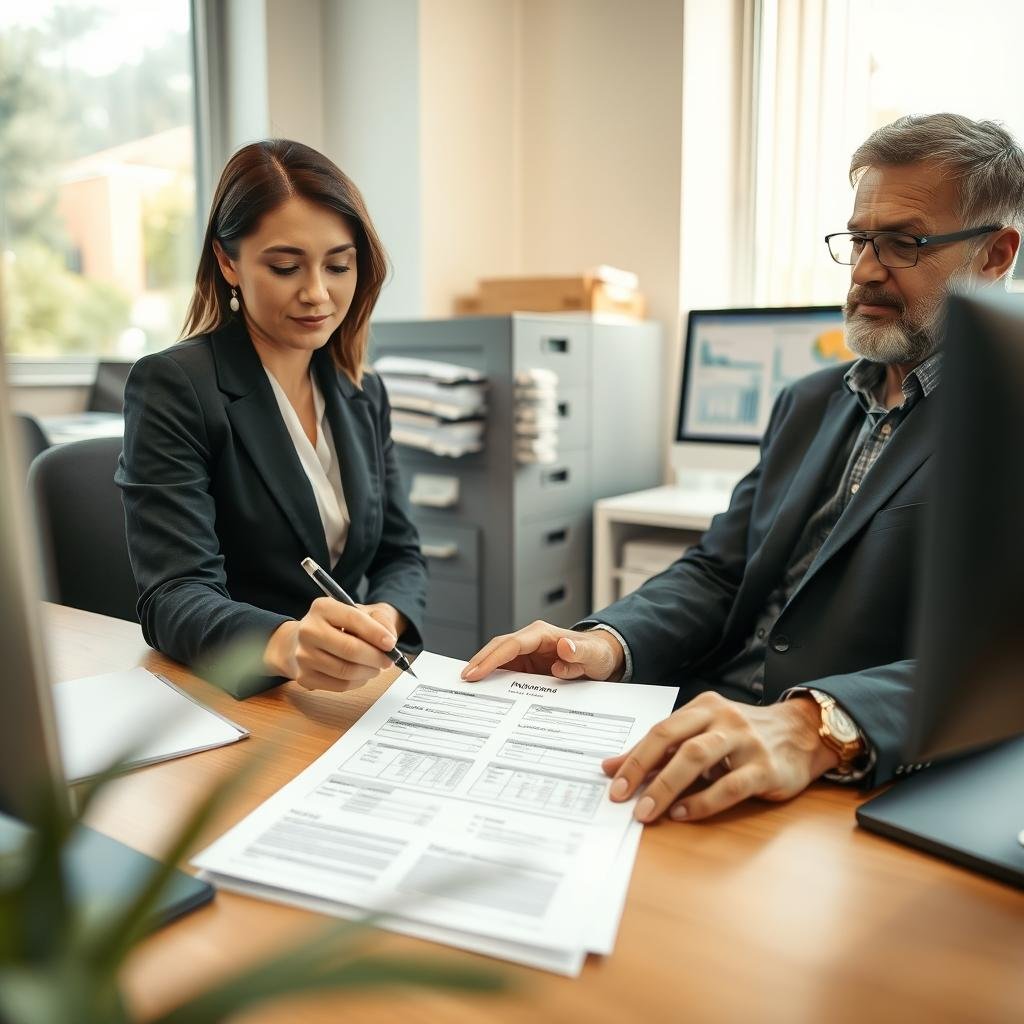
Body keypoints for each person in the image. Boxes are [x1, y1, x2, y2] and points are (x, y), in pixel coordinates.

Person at [461, 113, 1024, 822]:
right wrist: (603, 642)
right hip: (701, 722)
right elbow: (721, 571)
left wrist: (817, 725)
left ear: (997, 255)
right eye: (858, 239)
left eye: (905, 243)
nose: (867, 269)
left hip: (849, 774)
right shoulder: (810, 401)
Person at [116, 140, 427, 697]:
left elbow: (399, 552)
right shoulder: (174, 386)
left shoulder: (363, 390)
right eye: (285, 267)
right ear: (228, 262)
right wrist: (287, 644)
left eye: (338, 265)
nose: (317, 294)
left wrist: (387, 615)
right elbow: (172, 596)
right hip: (237, 693)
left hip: (352, 690)